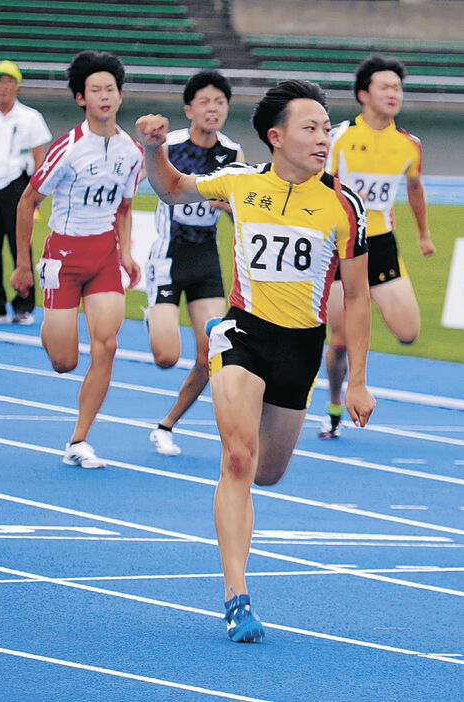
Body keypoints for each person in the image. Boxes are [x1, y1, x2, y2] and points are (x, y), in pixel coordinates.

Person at [136, 79, 375, 642]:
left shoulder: (345, 204)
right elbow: (172, 188)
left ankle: (239, 572)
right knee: (238, 458)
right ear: (276, 136)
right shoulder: (240, 184)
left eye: (326, 128)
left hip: (302, 346)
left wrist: (358, 382)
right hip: (243, 333)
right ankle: (236, 596)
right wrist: (152, 149)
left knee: (268, 472)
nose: (322, 138)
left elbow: (359, 296)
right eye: (309, 128)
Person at [11, 50, 143, 468]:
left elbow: (124, 208)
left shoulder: (132, 153)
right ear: (80, 98)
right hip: (63, 257)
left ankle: (79, 440)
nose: (105, 97)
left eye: (111, 89)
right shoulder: (67, 149)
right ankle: (53, 327)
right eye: (95, 90)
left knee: (107, 345)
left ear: (120, 96)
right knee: (65, 362)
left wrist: (126, 253)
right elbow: (28, 200)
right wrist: (21, 264)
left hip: (103, 255)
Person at [320, 54, 435, 439]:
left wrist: (423, 234)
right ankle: (336, 403)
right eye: (385, 87)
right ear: (363, 94)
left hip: (381, 243)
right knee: (338, 342)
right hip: (338, 245)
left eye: (398, 88)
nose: (393, 93)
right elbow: (318, 185)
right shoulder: (339, 137)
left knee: (409, 331)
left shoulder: (409, 145)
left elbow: (414, 189)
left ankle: (362, 310)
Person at [145, 70, 244, 457]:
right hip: (169, 255)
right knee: (167, 356)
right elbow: (156, 184)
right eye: (204, 101)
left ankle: (166, 425)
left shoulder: (232, 154)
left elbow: (243, 211)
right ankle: (156, 313)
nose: (213, 108)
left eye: (220, 102)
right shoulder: (167, 145)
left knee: (212, 353)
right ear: (189, 109)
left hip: (206, 258)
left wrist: (229, 206)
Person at [0, 59, 52, 324]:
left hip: (18, 186)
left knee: (20, 246)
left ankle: (23, 305)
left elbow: (40, 158)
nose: (3, 87)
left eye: (9, 81)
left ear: (17, 86)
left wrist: (37, 194)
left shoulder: (31, 118)